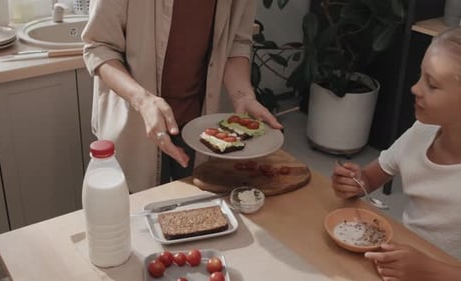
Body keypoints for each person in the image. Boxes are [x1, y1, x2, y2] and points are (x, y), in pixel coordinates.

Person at [81, 1, 283, 192]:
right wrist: (142, 100)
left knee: (197, 210)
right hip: (136, 122)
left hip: (199, 123)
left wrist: (242, 96)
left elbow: (236, 42)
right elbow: (99, 47)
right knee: (139, 214)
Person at [332, 26, 461, 280]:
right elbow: (369, 180)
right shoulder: (421, 131)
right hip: (400, 260)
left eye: (431, 84)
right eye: (420, 76)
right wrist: (354, 182)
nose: (415, 88)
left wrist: (428, 270)